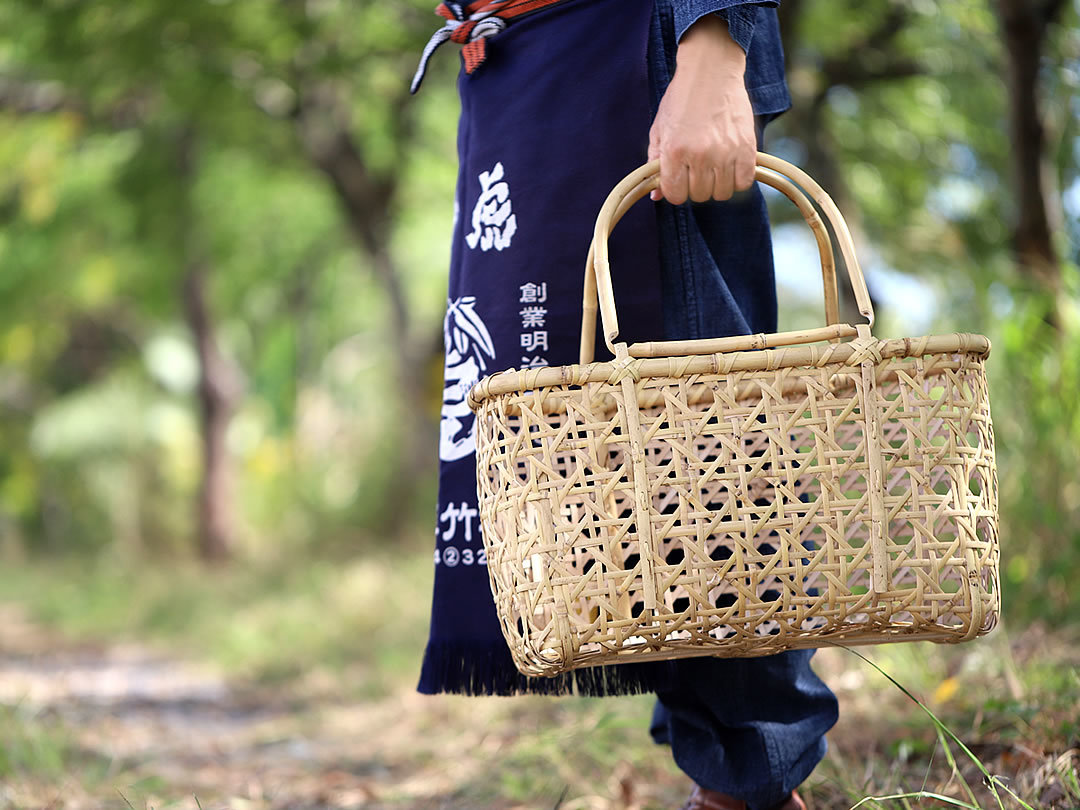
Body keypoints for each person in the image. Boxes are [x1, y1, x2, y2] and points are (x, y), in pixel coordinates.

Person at [412, 2, 839, 808]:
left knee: (698, 435)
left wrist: (713, 45)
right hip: (515, 65)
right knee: (586, 443)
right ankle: (717, 764)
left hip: (621, 42)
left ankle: (750, 784)